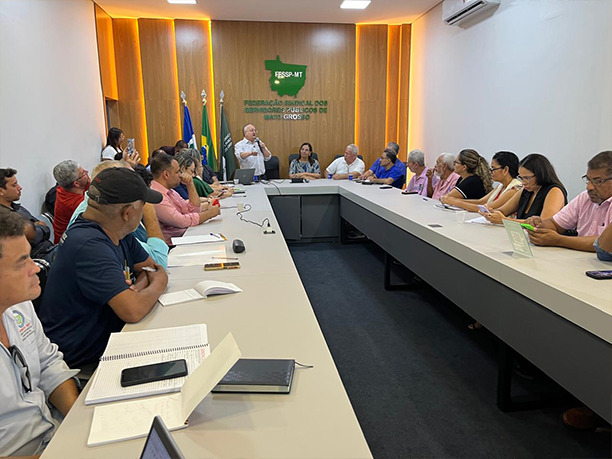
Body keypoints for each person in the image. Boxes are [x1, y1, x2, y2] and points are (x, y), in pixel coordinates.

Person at [39, 168, 168, 368]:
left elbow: (149, 267)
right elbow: (133, 310)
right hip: (87, 360)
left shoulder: (117, 231)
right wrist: (159, 282)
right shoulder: (89, 245)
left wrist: (136, 289)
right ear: (127, 213)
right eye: (143, 206)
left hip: (114, 338)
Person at [0, 211, 79, 457]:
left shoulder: (19, 305)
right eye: (22, 262)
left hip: (54, 434)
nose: (35, 268)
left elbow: (48, 364)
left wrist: (80, 422)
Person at [67, 160, 169, 269]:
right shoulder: (99, 229)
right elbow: (158, 262)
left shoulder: (110, 219)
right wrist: (148, 207)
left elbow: (151, 267)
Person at [525, 151, 612, 252]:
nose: (589, 187)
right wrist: (539, 225)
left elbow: (605, 244)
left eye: (598, 181)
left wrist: (559, 240)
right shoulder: (585, 198)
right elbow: (555, 224)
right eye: (588, 180)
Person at [150, 153, 220, 243]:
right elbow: (181, 221)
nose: (180, 175)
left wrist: (190, 184)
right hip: (174, 244)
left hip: (185, 235)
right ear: (166, 175)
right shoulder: (156, 195)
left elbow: (194, 210)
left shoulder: (171, 191)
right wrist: (209, 214)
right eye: (177, 172)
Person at [481, 154, 566, 224]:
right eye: (521, 178)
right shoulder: (526, 190)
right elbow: (503, 210)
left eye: (527, 178)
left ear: (540, 175)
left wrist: (505, 220)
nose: (523, 182)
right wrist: (491, 213)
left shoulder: (554, 191)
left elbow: (544, 223)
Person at [0, 168, 53, 259]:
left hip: (48, 249)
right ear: (1, 191)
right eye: (14, 185)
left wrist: (37, 228)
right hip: (35, 258)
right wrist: (39, 228)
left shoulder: (18, 208)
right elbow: (33, 237)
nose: (20, 187)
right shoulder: (4, 218)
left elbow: (43, 229)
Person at [444, 151, 522, 212]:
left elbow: (487, 208)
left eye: (493, 169)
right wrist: (454, 200)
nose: (491, 172)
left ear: (505, 170)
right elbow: (480, 202)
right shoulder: (501, 186)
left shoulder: (514, 189)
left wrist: (455, 202)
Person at [52, 160, 90, 244]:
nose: (87, 172)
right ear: (76, 183)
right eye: (84, 173)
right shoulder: (74, 204)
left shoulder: (66, 187)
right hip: (70, 244)